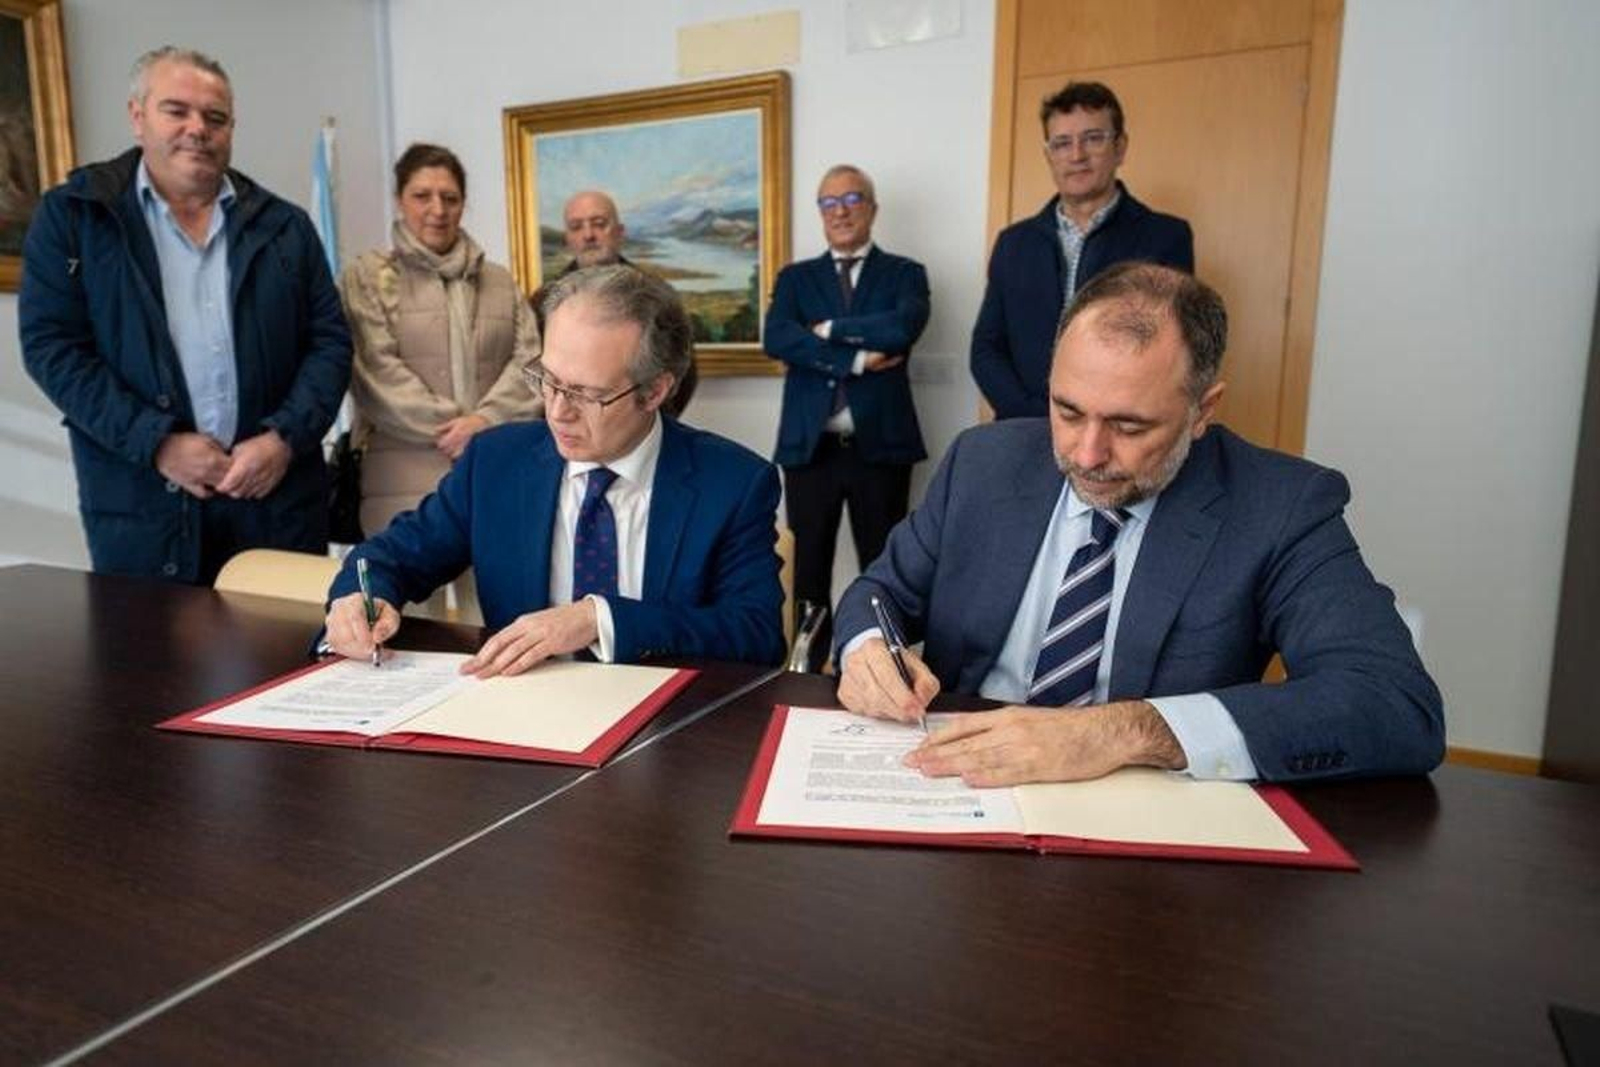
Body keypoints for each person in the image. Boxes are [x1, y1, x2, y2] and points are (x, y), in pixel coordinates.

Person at [836, 262, 1444, 785]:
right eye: (1067, 411)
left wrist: (1124, 731)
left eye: (1129, 427)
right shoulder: (983, 462)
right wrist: (867, 650)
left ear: (1202, 410)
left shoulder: (1281, 505)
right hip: (954, 788)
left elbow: (1393, 703)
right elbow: (879, 594)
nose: (1086, 454)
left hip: (1138, 817)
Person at [323, 265, 784, 674]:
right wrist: (359, 600)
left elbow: (757, 634)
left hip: (670, 732)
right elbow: (390, 557)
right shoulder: (495, 464)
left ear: (655, 391)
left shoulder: (733, 484)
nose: (557, 412)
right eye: (547, 380)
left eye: (584, 394)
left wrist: (597, 619)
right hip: (526, 723)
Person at [19, 46, 350, 584]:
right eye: (177, 110)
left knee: (289, 663)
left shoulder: (285, 226)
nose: (197, 128)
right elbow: (52, 349)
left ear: (231, 128)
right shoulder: (76, 217)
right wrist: (158, 443)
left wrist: (283, 439)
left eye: (214, 117)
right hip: (143, 503)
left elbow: (330, 342)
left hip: (276, 500)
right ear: (137, 116)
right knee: (151, 664)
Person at [339, 143, 542, 621]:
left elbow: (532, 363)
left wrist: (485, 422)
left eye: (449, 197)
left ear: (464, 203)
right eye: (422, 195)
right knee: (407, 625)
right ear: (399, 199)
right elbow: (374, 373)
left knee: (495, 622)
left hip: (492, 475)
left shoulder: (498, 280)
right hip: (400, 478)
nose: (437, 209)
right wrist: (455, 426)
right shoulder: (368, 277)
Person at [762, 164, 930, 670]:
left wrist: (828, 328)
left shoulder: (905, 273)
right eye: (828, 202)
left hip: (880, 449)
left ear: (872, 208)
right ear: (820, 213)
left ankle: (879, 669)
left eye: (852, 198)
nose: (840, 210)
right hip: (809, 452)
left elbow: (901, 327)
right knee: (808, 568)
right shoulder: (795, 278)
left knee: (883, 568)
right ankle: (807, 672)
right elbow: (778, 338)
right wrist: (856, 358)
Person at [970, 81, 1193, 420]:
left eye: (1093, 138)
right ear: (1049, 155)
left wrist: (1100, 418)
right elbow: (986, 349)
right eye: (1062, 143)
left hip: (1120, 430)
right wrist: (1035, 417)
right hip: (1024, 427)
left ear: (1120, 147)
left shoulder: (1164, 237)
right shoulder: (1014, 243)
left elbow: (1173, 347)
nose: (1076, 155)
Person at [535, 189, 695, 416]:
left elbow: (684, 373)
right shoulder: (542, 301)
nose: (588, 235)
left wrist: (646, 423)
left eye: (599, 224)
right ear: (568, 239)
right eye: (576, 227)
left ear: (620, 232)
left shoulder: (657, 295)